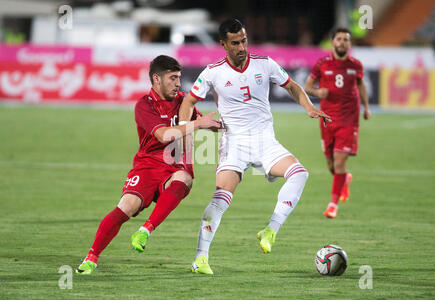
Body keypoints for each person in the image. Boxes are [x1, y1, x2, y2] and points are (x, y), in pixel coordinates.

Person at [178, 19, 331, 275]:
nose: (241, 46)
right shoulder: (213, 71)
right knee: (220, 199)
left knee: (300, 173)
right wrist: (184, 130)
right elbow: (188, 101)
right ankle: (200, 259)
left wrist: (309, 107)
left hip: (265, 141)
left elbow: (292, 86)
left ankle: (270, 229)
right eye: (235, 43)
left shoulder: (264, 63)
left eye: (244, 40)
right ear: (223, 44)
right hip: (233, 144)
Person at [76, 55, 221, 274]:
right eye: (172, 78)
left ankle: (146, 229)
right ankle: (91, 258)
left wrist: (221, 125)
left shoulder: (183, 101)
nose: (178, 83)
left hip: (173, 167)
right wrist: (198, 124)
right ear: (157, 79)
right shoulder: (145, 105)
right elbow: (164, 135)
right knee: (126, 207)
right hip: (147, 167)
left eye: (179, 78)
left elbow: (201, 122)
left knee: (184, 178)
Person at [304, 27, 370, 219]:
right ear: (333, 42)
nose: (342, 42)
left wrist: (366, 107)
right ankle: (344, 179)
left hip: (349, 119)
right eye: (339, 39)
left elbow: (361, 85)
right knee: (331, 165)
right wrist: (318, 92)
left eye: (346, 39)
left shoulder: (356, 65)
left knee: (340, 161)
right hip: (327, 118)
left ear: (349, 43)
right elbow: (307, 87)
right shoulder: (322, 63)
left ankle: (332, 205)